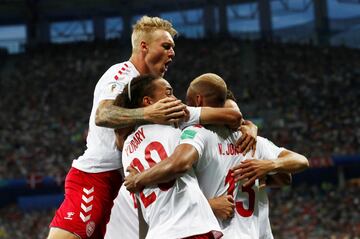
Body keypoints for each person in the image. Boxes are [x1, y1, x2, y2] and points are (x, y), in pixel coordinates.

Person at [47, 16, 187, 239]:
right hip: (95, 176)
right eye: (166, 46)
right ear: (144, 46)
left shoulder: (147, 89)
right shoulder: (121, 74)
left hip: (119, 183)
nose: (172, 53)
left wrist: (243, 124)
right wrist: (147, 113)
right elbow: (103, 114)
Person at [124, 73, 309, 238]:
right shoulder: (253, 142)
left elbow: (177, 170)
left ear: (197, 101)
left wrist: (266, 166)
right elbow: (287, 176)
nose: (179, 102)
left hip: (209, 231)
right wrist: (268, 165)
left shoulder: (194, 135)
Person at [115, 74, 223, 238]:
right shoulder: (173, 128)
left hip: (158, 231)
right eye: (168, 93)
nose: (176, 99)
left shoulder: (127, 149)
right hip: (189, 228)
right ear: (148, 102)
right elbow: (180, 164)